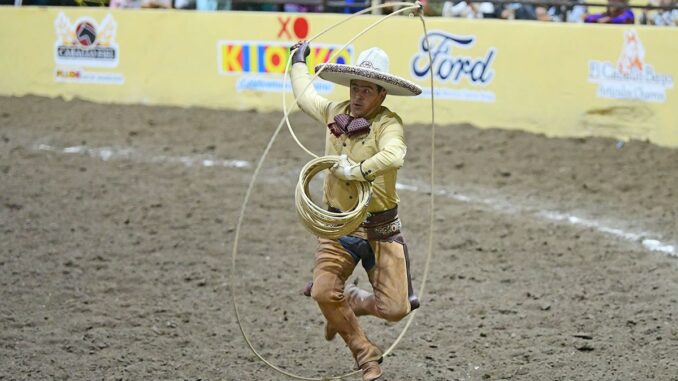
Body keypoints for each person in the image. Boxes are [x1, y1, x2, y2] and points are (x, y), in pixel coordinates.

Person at [289, 41, 421, 381]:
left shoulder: (388, 124)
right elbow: (305, 97)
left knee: (394, 309)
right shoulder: (336, 112)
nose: (358, 95)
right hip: (339, 223)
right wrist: (298, 64)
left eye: (366, 90)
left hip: (381, 227)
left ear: (381, 94)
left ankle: (350, 300)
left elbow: (394, 155)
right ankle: (365, 353)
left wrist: (357, 171)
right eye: (354, 87)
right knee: (322, 291)